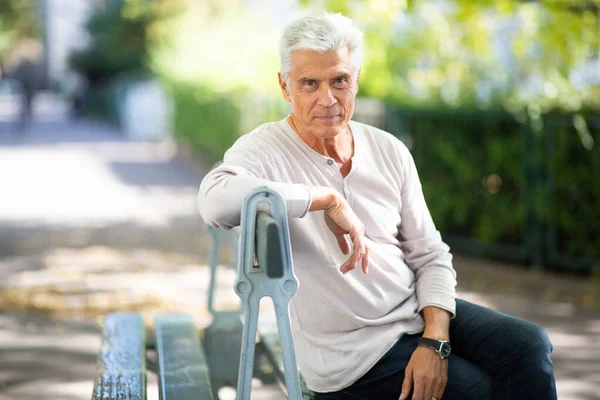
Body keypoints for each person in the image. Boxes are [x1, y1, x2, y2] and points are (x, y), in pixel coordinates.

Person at [198, 12, 557, 400]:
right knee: (478, 391)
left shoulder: (388, 149)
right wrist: (324, 199)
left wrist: (434, 340)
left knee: (529, 345)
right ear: (285, 87)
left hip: (412, 311)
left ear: (356, 79)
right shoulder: (264, 149)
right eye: (309, 83)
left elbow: (429, 254)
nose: (327, 98)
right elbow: (214, 200)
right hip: (351, 357)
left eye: (339, 80)